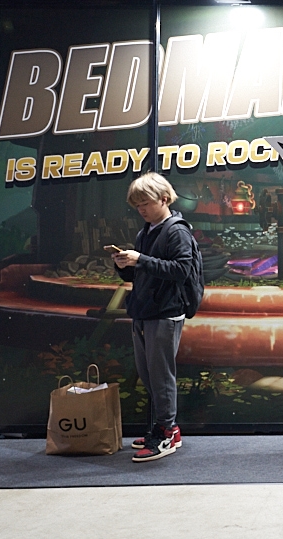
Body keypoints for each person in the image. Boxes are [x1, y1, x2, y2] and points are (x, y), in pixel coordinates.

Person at [113, 173, 198, 461]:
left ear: (164, 199)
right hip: (144, 310)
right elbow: (140, 274)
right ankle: (164, 428)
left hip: (165, 312)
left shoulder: (177, 231)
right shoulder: (146, 232)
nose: (141, 209)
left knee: (161, 375)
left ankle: (168, 431)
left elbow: (181, 270)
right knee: (149, 374)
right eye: (137, 205)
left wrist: (140, 259)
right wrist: (124, 265)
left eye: (145, 203)